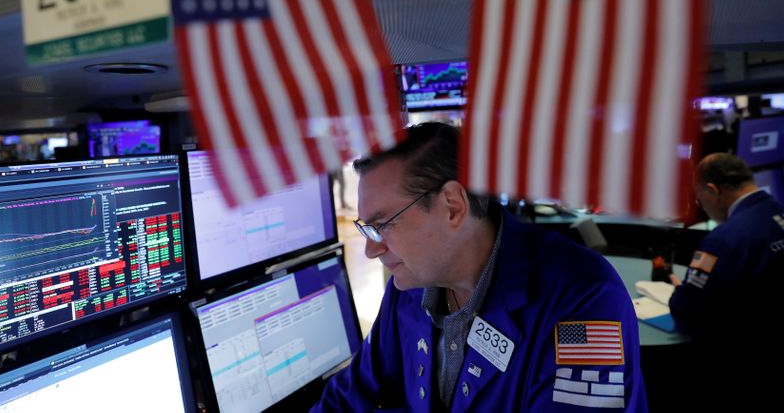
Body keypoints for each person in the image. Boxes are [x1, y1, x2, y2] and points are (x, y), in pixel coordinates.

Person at [313, 122, 647, 412]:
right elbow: (349, 397)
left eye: (383, 224)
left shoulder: (584, 301)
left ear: (453, 206)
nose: (371, 250)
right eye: (366, 230)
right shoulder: (408, 291)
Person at [669, 153, 784, 407]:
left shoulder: (724, 240)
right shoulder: (778, 211)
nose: (703, 207)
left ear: (712, 190)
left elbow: (689, 312)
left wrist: (680, 292)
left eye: (701, 200)